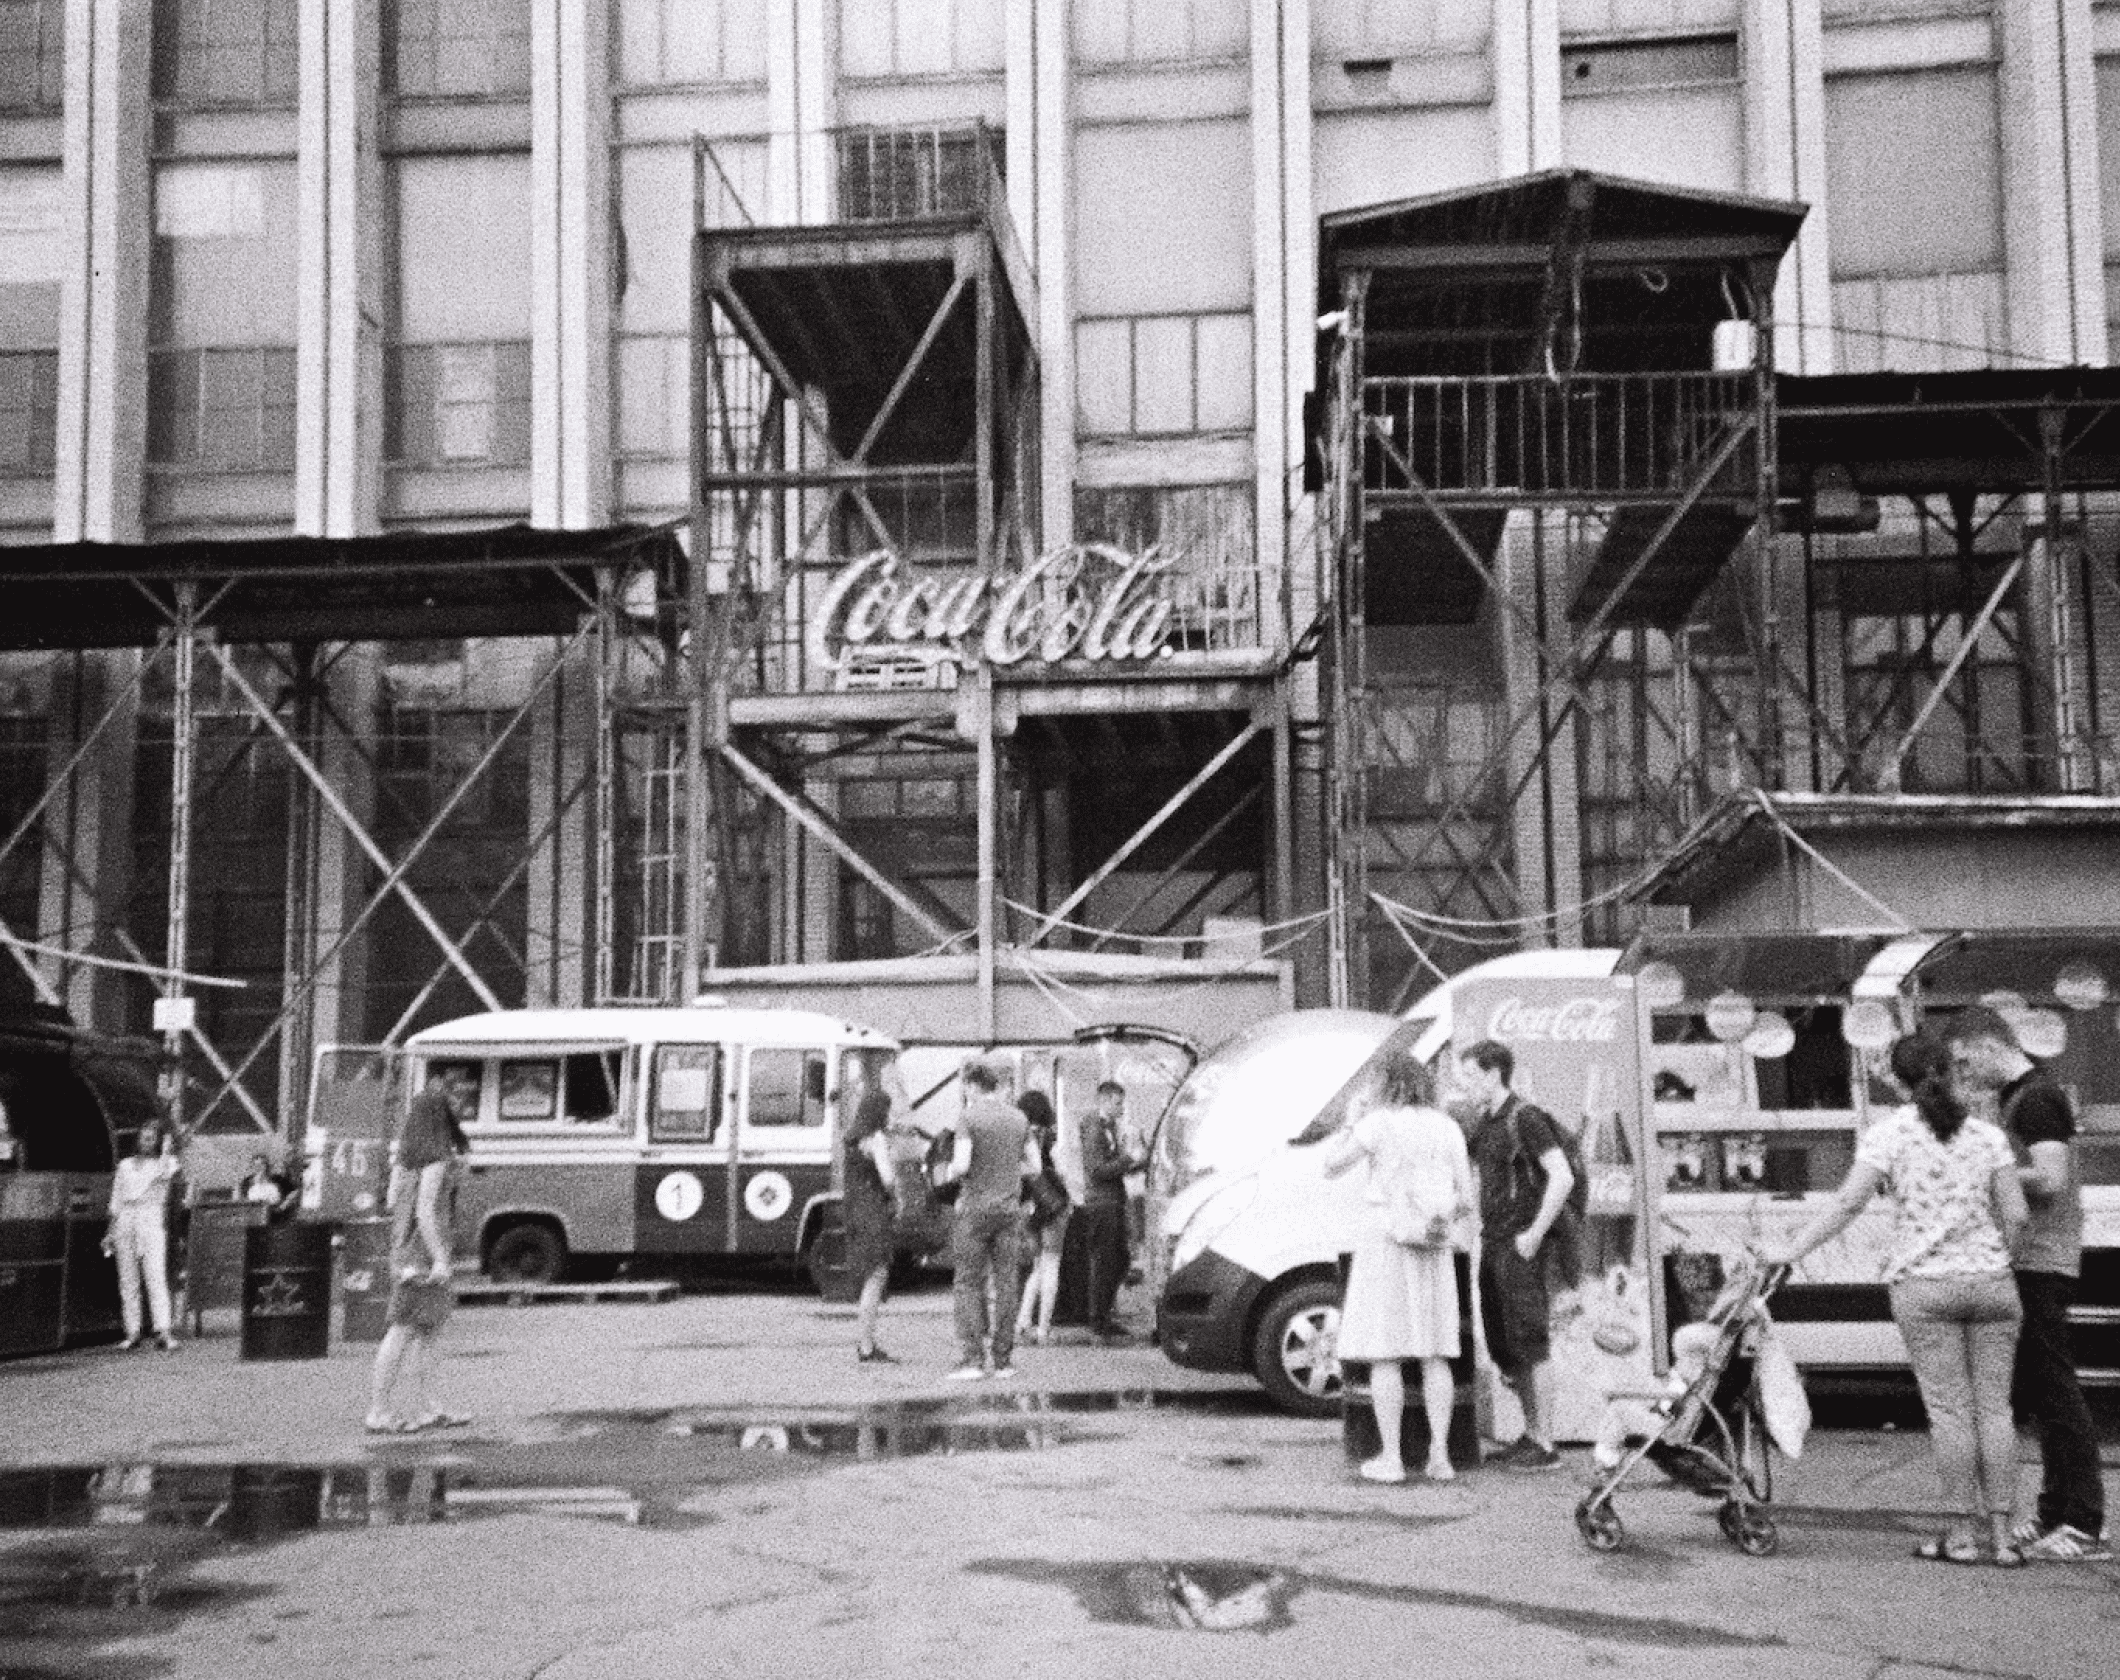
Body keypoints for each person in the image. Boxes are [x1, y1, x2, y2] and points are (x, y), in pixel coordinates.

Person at [1767, 1033, 2028, 1566]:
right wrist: (1998, 1257)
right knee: (1995, 1410)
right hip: (1992, 1283)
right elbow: (2018, 1214)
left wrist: (1791, 1250)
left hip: (1924, 1287)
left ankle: (1959, 1537)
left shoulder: (1888, 1135)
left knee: (1951, 1413)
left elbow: (1848, 1204)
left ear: (1898, 1081)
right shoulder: (1988, 1135)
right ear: (1951, 1071)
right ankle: (2004, 1539)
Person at [1944, 1006, 2110, 1561]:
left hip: (2042, 1258)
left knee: (2055, 1389)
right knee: (2040, 1393)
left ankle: (2083, 1522)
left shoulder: (2037, 1098)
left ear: (1989, 1045)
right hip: (2028, 1257)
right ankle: (2055, 1511)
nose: (1966, 1073)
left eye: (1966, 1061)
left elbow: (2051, 1177)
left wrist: (1982, 1172)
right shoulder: (2020, 1097)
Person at [1323, 1051, 1472, 1484]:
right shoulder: (1447, 1126)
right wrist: (1435, 1216)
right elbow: (1466, 1196)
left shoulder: (1378, 1123)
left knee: (1385, 1352)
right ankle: (1440, 1455)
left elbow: (1331, 1166)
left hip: (1386, 1243)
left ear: (1385, 1084)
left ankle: (1391, 1458)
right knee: (1435, 1353)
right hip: (1434, 1244)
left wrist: (1350, 1121)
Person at [1457, 1039, 1573, 1469]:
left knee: (1531, 1341)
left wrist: (1535, 1233)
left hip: (1519, 1245)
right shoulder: (1487, 1122)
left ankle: (1546, 1443)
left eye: (1470, 1076)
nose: (1464, 1084)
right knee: (1507, 1343)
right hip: (1494, 1242)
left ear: (1493, 1074)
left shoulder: (1525, 1118)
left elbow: (1561, 1176)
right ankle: (1531, 1433)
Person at [367, 1062, 473, 1434]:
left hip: (406, 1250)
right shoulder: (436, 1159)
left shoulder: (406, 1160)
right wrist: (441, 1258)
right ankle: (380, 1411)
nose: (458, 1109)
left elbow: (394, 1202)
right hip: (425, 1253)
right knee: (406, 1330)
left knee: (426, 1330)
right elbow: (425, 1211)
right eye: (452, 1106)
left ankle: (427, 1407)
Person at [943, 1057, 1037, 1381]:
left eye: (965, 1088)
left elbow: (962, 1164)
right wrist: (1009, 1170)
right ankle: (1003, 1360)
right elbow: (1036, 1166)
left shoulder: (968, 1117)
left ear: (972, 1085)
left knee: (968, 1283)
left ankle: (972, 1359)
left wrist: (948, 1172)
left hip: (975, 1211)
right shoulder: (1019, 1118)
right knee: (1007, 1284)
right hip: (1010, 1212)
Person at [841, 1049, 904, 1365]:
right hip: (873, 1212)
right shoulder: (875, 1138)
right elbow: (888, 1178)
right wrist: (896, 1190)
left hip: (855, 1210)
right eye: (888, 1110)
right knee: (876, 1277)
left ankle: (865, 1342)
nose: (890, 1116)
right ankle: (866, 1345)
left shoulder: (853, 1139)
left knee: (869, 1275)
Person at [105, 1123, 181, 1352]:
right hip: (126, 1219)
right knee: (128, 1279)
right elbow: (116, 1199)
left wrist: (167, 1148)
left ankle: (163, 1331)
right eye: (144, 1138)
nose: (147, 1142)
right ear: (137, 1140)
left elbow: (165, 1173)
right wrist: (110, 1231)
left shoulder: (166, 1162)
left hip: (150, 1218)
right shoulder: (125, 1165)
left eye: (151, 1139)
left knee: (155, 1276)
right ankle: (132, 1332)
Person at [1080, 1079, 1144, 1341]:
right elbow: (1097, 1170)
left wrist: (1134, 1164)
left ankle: (1103, 1315)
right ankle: (1098, 1320)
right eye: (1118, 1103)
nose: (1122, 1108)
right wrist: (1130, 1158)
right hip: (1102, 1204)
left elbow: (1109, 1166)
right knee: (1107, 1261)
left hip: (1112, 1201)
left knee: (1119, 1260)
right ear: (1104, 1101)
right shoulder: (1094, 1128)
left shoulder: (1108, 1127)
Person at [1015, 1088, 1073, 1347]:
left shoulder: (1018, 1138)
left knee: (1037, 1266)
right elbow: (1063, 1172)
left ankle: (1022, 1321)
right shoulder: (1050, 1137)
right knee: (1051, 1266)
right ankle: (1043, 1328)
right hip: (1053, 1206)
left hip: (1029, 1208)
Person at [240, 1152, 296, 1221]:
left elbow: (294, 1191)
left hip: (276, 1216)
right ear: (252, 1167)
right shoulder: (247, 1182)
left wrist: (283, 1206)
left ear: (267, 1166)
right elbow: (242, 1199)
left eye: (262, 1164)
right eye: (256, 1165)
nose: (259, 1168)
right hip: (254, 1217)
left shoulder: (277, 1179)